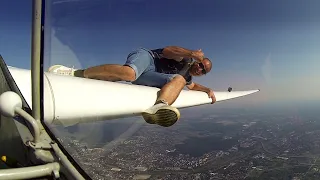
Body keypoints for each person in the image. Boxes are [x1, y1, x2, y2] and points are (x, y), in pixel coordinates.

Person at [48, 46, 216, 127]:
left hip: (150, 76)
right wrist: (191, 54)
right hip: (147, 58)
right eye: (201, 64)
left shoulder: (185, 75)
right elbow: (168, 52)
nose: (200, 68)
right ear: (197, 61)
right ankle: (75, 73)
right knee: (129, 74)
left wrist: (207, 90)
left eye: (204, 70)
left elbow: (191, 86)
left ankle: (159, 106)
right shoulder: (185, 59)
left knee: (179, 81)